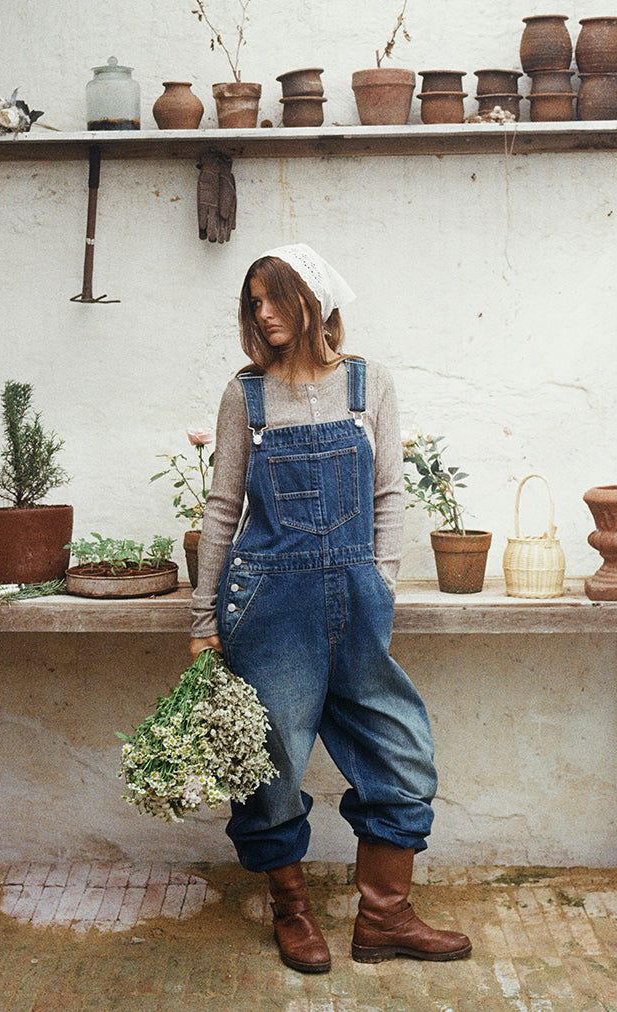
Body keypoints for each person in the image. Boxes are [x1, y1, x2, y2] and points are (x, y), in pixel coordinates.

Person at [189, 244, 471, 973]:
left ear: (313, 297)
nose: (263, 313)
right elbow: (222, 510)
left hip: (355, 598)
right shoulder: (244, 395)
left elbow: (388, 496)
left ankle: (384, 919)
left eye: (274, 297)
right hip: (269, 606)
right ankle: (292, 912)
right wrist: (202, 624)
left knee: (400, 751)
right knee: (271, 765)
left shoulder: (367, 385)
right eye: (253, 302)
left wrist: (378, 580)